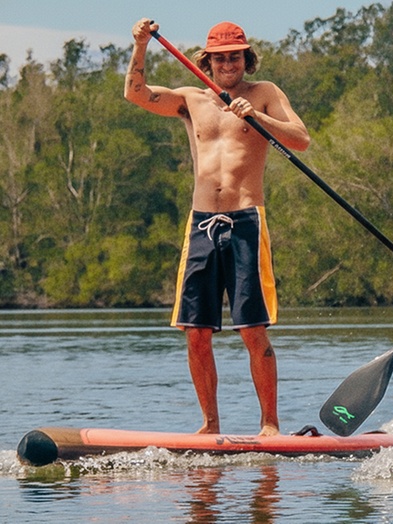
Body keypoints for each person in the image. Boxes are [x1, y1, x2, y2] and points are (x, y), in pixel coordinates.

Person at [125, 19, 310, 436]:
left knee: (253, 330)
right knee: (195, 333)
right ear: (207, 61)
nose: (228, 64)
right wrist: (140, 45)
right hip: (201, 225)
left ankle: (270, 424)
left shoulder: (265, 93)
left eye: (235, 56)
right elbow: (136, 93)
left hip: (246, 222)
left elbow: (300, 138)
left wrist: (258, 118)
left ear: (247, 58)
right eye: (220, 58)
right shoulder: (190, 99)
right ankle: (210, 425)